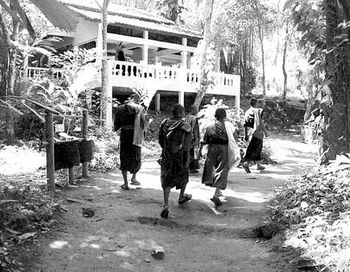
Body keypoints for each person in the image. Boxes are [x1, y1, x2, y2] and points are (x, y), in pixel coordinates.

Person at [200, 108, 240, 207]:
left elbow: (205, 140)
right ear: (225, 116)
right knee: (222, 169)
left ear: (215, 116)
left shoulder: (210, 126)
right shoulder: (229, 125)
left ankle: (217, 190)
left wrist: (200, 151)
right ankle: (216, 195)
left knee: (212, 168)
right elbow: (235, 138)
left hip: (212, 148)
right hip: (224, 148)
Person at [158, 104, 192, 218]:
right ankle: (181, 197)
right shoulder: (185, 126)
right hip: (180, 156)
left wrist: (166, 150)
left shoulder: (164, 123)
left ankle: (166, 205)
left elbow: (160, 140)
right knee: (183, 176)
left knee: (166, 178)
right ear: (182, 113)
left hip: (167, 155)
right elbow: (188, 144)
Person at [114, 93, 147, 190]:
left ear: (130, 99)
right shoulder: (140, 109)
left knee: (124, 157)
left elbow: (116, 126)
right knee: (136, 156)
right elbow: (143, 124)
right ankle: (134, 177)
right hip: (135, 136)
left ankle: (125, 183)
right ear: (136, 100)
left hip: (125, 135)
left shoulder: (120, 108)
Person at [242, 98, 268, 173]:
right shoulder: (257, 111)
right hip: (257, 132)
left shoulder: (247, 112)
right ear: (256, 103)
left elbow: (245, 125)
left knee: (252, 148)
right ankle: (246, 163)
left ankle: (258, 165)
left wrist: (245, 135)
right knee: (256, 149)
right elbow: (259, 123)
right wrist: (265, 131)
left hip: (250, 132)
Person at [185, 105, 202, 173]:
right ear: (192, 110)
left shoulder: (187, 117)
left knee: (190, 153)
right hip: (192, 138)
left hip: (187, 137)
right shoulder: (194, 118)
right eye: (195, 109)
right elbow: (195, 129)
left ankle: (189, 167)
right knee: (192, 153)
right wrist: (196, 139)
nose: (196, 111)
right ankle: (191, 167)